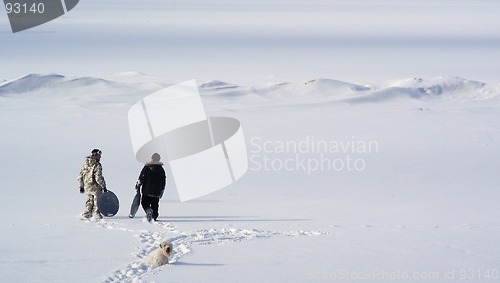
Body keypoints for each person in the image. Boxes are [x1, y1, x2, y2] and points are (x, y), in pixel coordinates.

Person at [135, 153, 166, 222]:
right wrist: (162, 190)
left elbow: (141, 177)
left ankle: (148, 211)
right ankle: (154, 216)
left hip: (147, 191)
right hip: (157, 192)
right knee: (155, 204)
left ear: (152, 158)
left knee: (144, 203)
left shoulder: (147, 167)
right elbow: (164, 180)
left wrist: (138, 185)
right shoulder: (161, 169)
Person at [78, 149, 107, 219]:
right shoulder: (97, 165)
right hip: (94, 185)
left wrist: (81, 186)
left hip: (87, 186)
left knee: (90, 198)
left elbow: (80, 175)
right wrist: (103, 186)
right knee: (97, 198)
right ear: (96, 155)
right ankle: (96, 213)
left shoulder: (86, 164)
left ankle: (87, 213)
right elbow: (98, 177)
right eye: (99, 155)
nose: (100, 157)